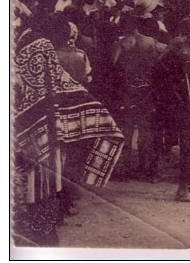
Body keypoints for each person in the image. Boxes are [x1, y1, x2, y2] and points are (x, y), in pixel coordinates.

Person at [13, 18, 124, 246]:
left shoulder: (19, 78)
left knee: (34, 194)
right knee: (45, 193)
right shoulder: (61, 72)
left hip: (33, 146)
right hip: (52, 142)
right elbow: (84, 93)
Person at [152, 21, 190, 202]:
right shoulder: (184, 55)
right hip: (186, 105)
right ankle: (182, 190)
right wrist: (183, 99)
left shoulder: (187, 53)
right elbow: (168, 76)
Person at [111, 14, 167, 181]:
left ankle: (125, 169)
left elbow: (114, 65)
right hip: (146, 88)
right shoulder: (150, 42)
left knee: (126, 129)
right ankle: (145, 166)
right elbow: (160, 62)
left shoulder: (120, 44)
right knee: (145, 130)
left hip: (128, 89)